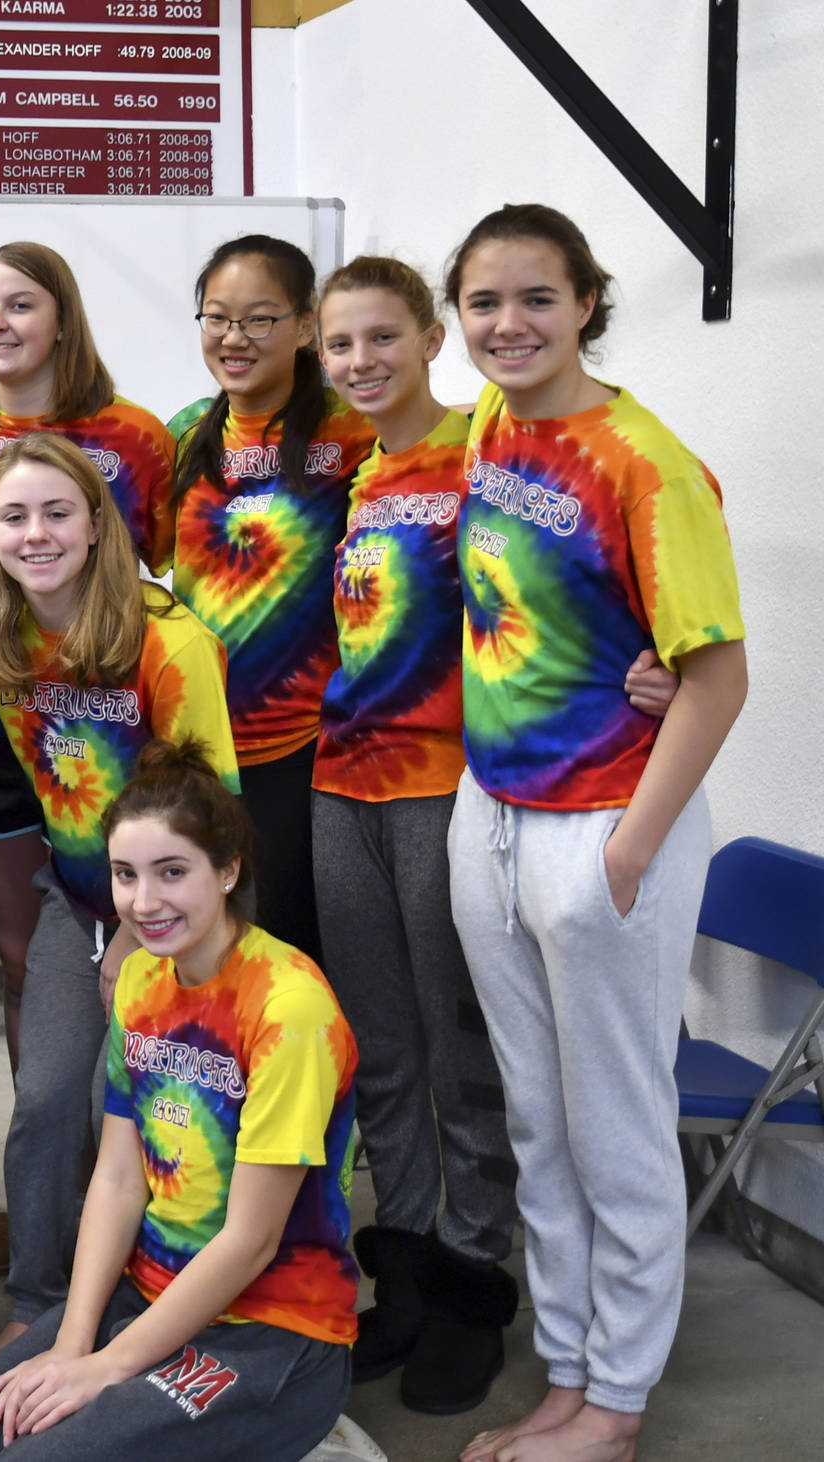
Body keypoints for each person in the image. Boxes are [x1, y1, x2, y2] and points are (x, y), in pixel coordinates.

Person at [310, 256, 685, 1415]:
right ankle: (405, 1262)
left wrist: (660, 658)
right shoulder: (359, 471)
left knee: (462, 1055)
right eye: (339, 343)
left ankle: (472, 1279)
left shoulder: (484, 441)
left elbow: (621, 530)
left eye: (383, 336)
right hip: (342, 784)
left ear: (432, 338)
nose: (361, 361)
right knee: (382, 1049)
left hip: (451, 789)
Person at [444, 205, 747, 1462]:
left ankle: (614, 1404)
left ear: (585, 304)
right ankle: (566, 1372)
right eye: (483, 302)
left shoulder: (645, 462)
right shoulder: (490, 421)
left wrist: (624, 853)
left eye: (536, 298)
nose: (508, 324)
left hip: (607, 825)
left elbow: (718, 679)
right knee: (537, 1122)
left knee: (614, 1129)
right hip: (493, 814)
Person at [0, 738, 358, 1462]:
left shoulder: (288, 1009)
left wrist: (107, 1368)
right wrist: (72, 1342)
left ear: (228, 870)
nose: (144, 903)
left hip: (273, 1331)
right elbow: (119, 1180)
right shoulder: (143, 983)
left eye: (172, 872)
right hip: (147, 1292)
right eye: (125, 874)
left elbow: (251, 1241)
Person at [0, 433, 237, 1367]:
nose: (35, 534)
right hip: (76, 901)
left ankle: (153, 1300)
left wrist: (139, 931)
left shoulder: (168, 639)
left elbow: (208, 815)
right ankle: (37, 1303)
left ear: (96, 525)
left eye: (56, 513)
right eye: (13, 517)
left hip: (178, 918)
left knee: (130, 1109)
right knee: (44, 1102)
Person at [0, 241, 181, 1282]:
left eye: (20, 304)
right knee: (33, 967)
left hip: (111, 712)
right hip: (4, 701)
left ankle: (130, 1200)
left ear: (62, 317)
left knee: (138, 954)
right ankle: (42, 1202)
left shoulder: (135, 434)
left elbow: (162, 561)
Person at [166, 234, 379, 967]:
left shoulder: (351, 429)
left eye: (259, 318)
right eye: (217, 317)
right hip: (202, 743)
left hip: (311, 748)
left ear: (306, 324)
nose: (235, 338)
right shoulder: (185, 434)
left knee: (295, 955)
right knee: (212, 954)